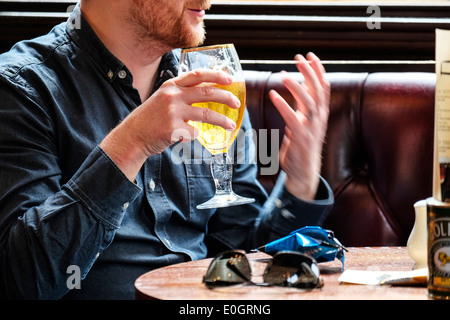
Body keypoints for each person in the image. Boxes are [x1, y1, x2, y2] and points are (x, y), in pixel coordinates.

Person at [0, 0, 333, 299]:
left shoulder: (215, 89)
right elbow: (25, 281)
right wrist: (131, 143)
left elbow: (243, 254)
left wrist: (299, 183)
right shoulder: (22, 87)